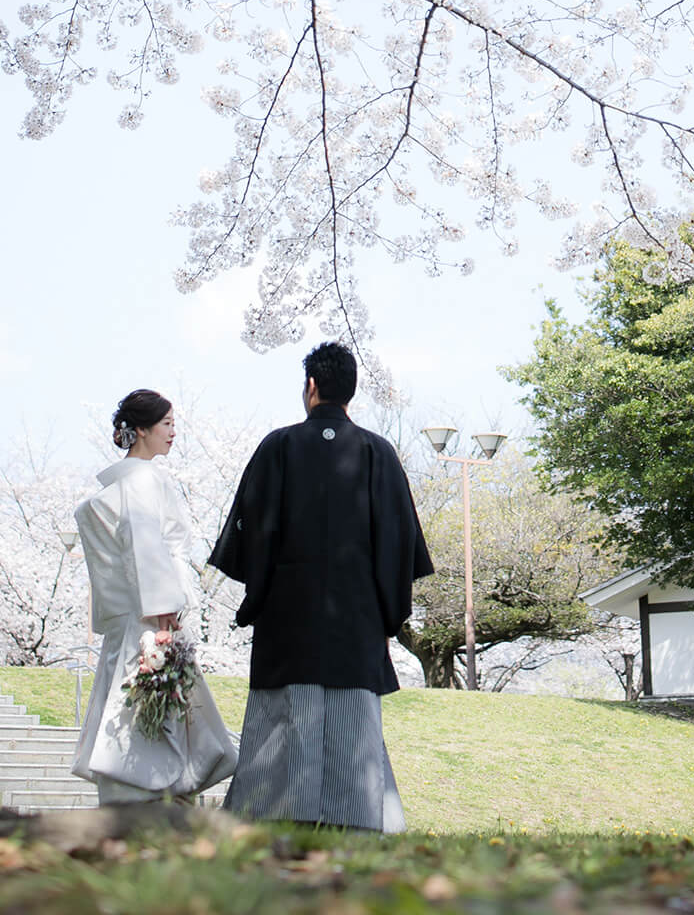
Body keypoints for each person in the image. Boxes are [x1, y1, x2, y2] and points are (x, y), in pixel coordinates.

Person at [209, 342, 433, 831]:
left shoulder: (279, 446)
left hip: (288, 622)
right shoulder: (378, 452)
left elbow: (255, 532)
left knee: (284, 718)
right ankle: (355, 820)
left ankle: (272, 817)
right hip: (356, 624)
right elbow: (399, 541)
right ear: (349, 391)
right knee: (355, 722)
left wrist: (257, 597)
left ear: (310, 386)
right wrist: (389, 611)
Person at [71, 389, 238, 805]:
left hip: (131, 615)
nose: (174, 432)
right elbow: (144, 542)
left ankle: (132, 789)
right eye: (166, 423)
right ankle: (154, 792)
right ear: (141, 430)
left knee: (131, 698)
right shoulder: (144, 480)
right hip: (154, 614)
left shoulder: (120, 486)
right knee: (154, 699)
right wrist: (165, 607)